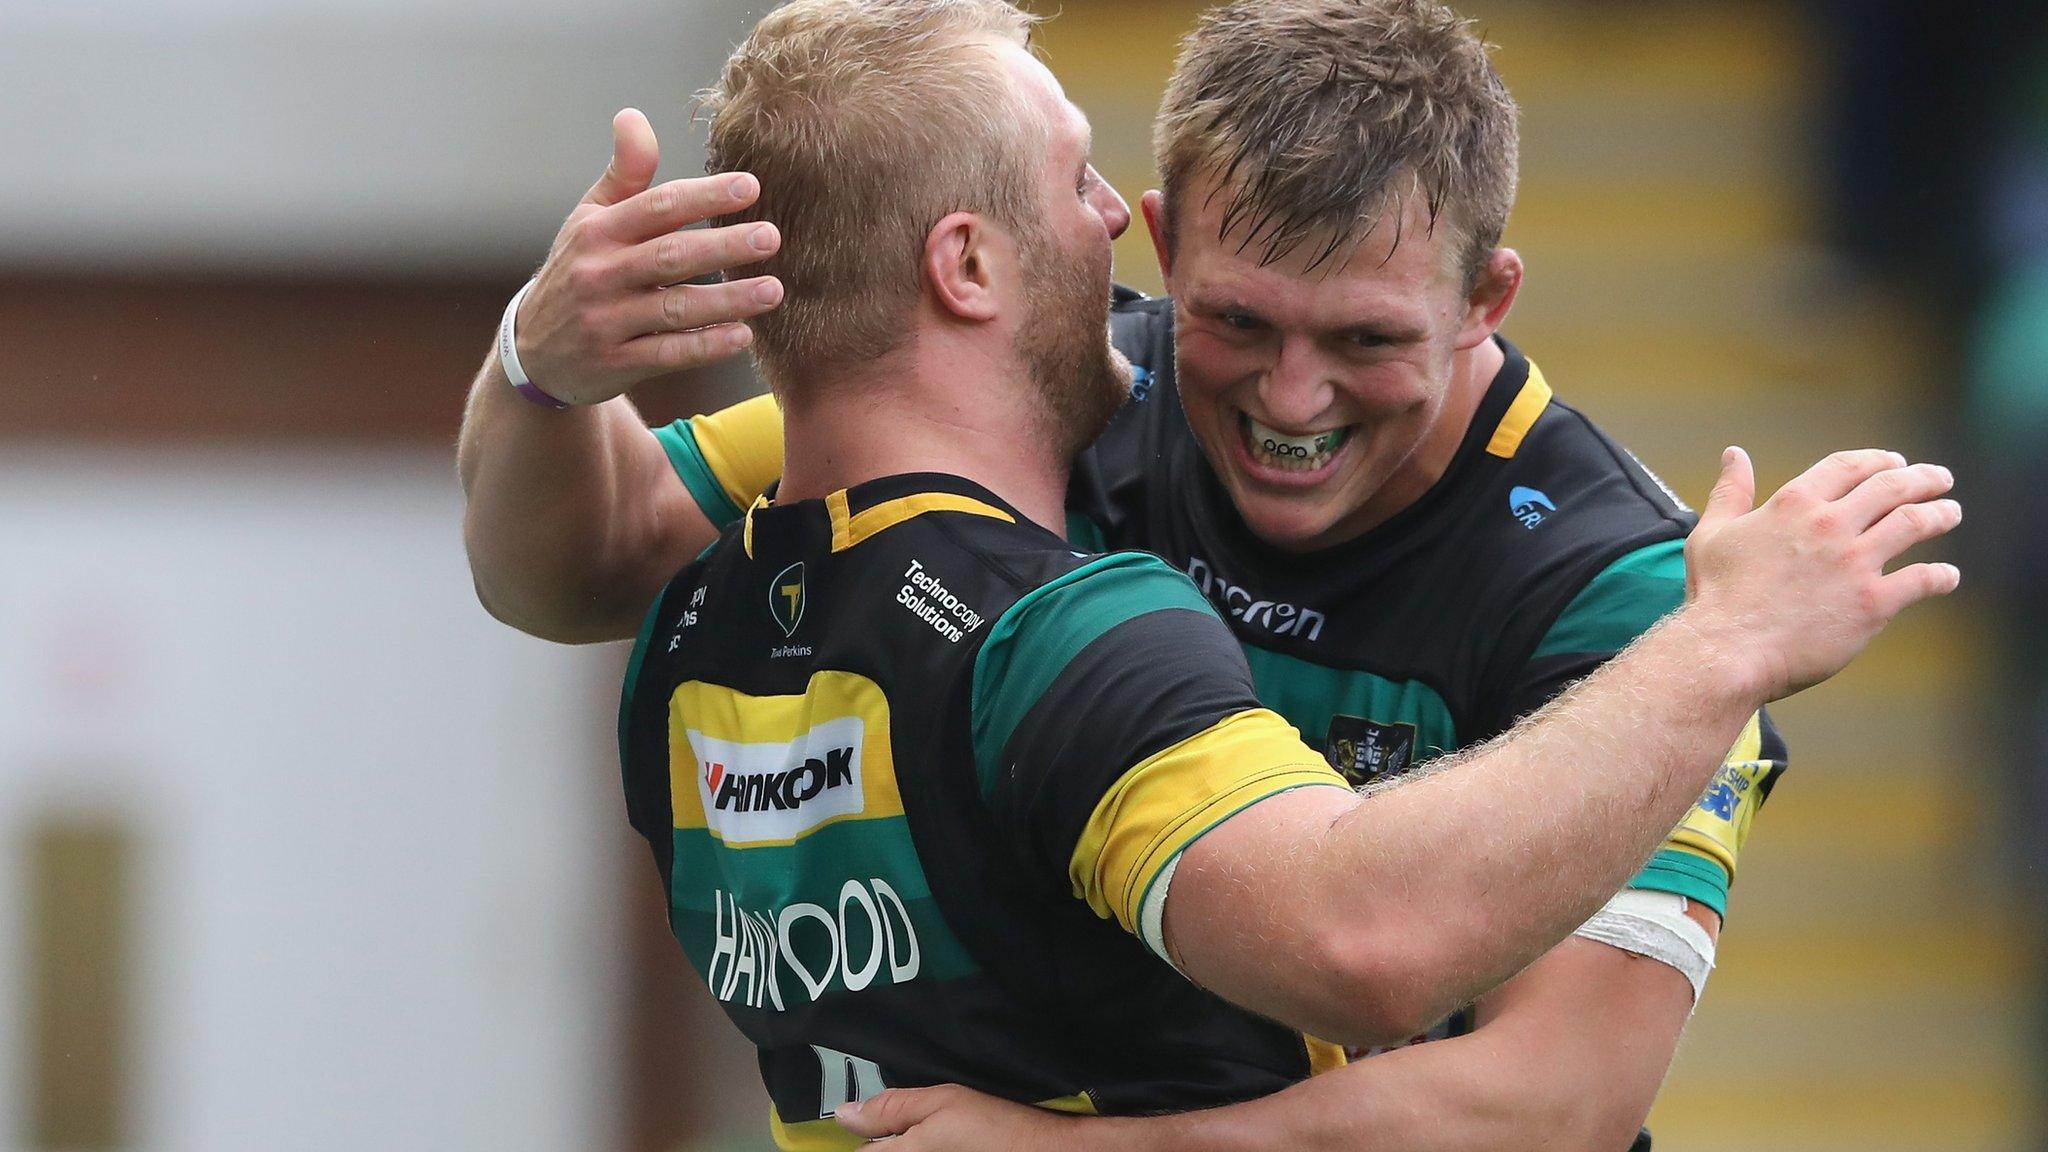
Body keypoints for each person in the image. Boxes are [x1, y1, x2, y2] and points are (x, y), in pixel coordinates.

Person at [456, 2, 1962, 1148]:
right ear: (1164, 249)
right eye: (1239, 322)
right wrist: (534, 361)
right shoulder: (1082, 392)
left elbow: (1553, 1101)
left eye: (1365, 340)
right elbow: (579, 557)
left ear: (1484, 297)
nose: (1289, 402)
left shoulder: (1627, 599)